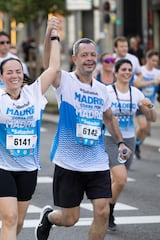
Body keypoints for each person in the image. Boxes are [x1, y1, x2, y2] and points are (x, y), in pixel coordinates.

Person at [0, 16, 61, 239]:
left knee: (17, 222)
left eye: (18, 71)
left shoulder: (34, 93)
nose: (14, 75)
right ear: (1, 77)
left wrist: (53, 33)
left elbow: (54, 66)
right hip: (0, 166)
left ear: (23, 75)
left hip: (28, 167)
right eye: (9, 72)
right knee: (9, 218)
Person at [35, 37, 131, 240]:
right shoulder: (65, 81)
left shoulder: (102, 90)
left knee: (103, 211)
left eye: (92, 55)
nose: (89, 59)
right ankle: (49, 218)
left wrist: (121, 142)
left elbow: (109, 118)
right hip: (69, 163)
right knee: (70, 219)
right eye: (84, 55)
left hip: (97, 161)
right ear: (74, 58)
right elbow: (48, 65)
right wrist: (50, 36)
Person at [105, 58, 157, 231]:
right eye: (123, 69)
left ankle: (107, 208)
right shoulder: (107, 92)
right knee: (121, 180)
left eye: (130, 70)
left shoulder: (136, 93)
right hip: (109, 138)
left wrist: (150, 107)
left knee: (117, 181)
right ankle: (107, 212)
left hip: (129, 140)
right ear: (116, 72)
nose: (127, 72)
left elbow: (153, 119)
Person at [133, 50, 160, 159]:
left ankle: (137, 145)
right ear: (148, 59)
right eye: (153, 60)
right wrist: (153, 82)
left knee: (146, 130)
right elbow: (137, 84)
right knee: (142, 125)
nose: (155, 63)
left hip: (151, 105)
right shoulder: (141, 71)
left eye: (157, 61)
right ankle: (134, 142)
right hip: (140, 103)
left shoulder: (158, 72)